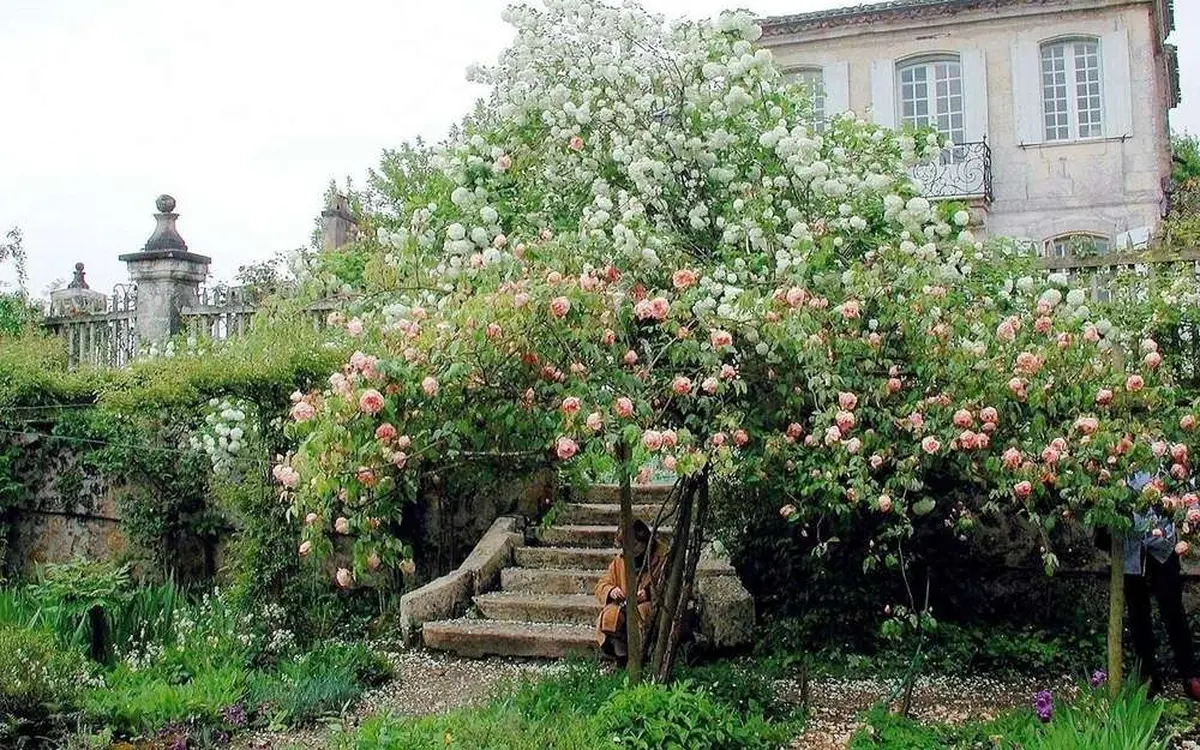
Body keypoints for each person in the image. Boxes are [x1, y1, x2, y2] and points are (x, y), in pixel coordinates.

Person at [1107, 472, 1200, 699]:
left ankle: (1190, 675)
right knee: (1137, 613)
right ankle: (1148, 675)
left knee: (1173, 610)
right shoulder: (1120, 459)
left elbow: (1185, 485)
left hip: (1163, 544)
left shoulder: (1164, 456)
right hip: (1130, 545)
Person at [594, 519, 668, 663]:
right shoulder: (620, 560)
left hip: (652, 606)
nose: (631, 550)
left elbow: (670, 586)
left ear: (644, 539)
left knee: (641, 613)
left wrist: (648, 594)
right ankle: (620, 656)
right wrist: (611, 590)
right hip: (625, 604)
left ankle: (643, 654)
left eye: (634, 545)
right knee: (610, 615)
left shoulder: (662, 557)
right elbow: (601, 585)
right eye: (626, 546)